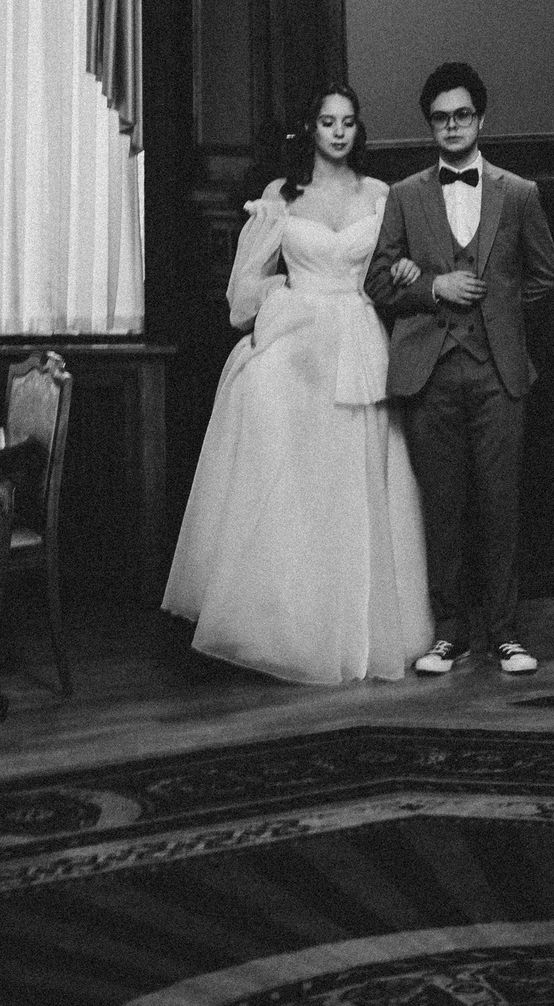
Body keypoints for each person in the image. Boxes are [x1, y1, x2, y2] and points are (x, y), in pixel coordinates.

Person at [162, 83, 434, 684]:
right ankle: (286, 624)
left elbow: (396, 270)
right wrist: (288, 296)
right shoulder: (280, 197)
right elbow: (242, 294)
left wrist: (406, 269)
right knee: (295, 484)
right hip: (299, 344)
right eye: (327, 121)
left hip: (359, 340)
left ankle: (358, 630)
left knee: (356, 479)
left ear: (358, 130)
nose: (337, 132)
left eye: (347, 122)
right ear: (311, 128)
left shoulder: (381, 195)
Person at [364, 60, 554, 677]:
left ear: (481, 120)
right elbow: (378, 283)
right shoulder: (404, 195)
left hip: (500, 374)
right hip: (429, 374)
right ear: (430, 126)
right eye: (441, 118)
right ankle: (448, 635)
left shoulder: (518, 192)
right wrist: (432, 287)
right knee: (442, 508)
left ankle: (505, 634)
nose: (452, 126)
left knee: (500, 507)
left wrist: (497, 310)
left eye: (463, 115)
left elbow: (546, 274)